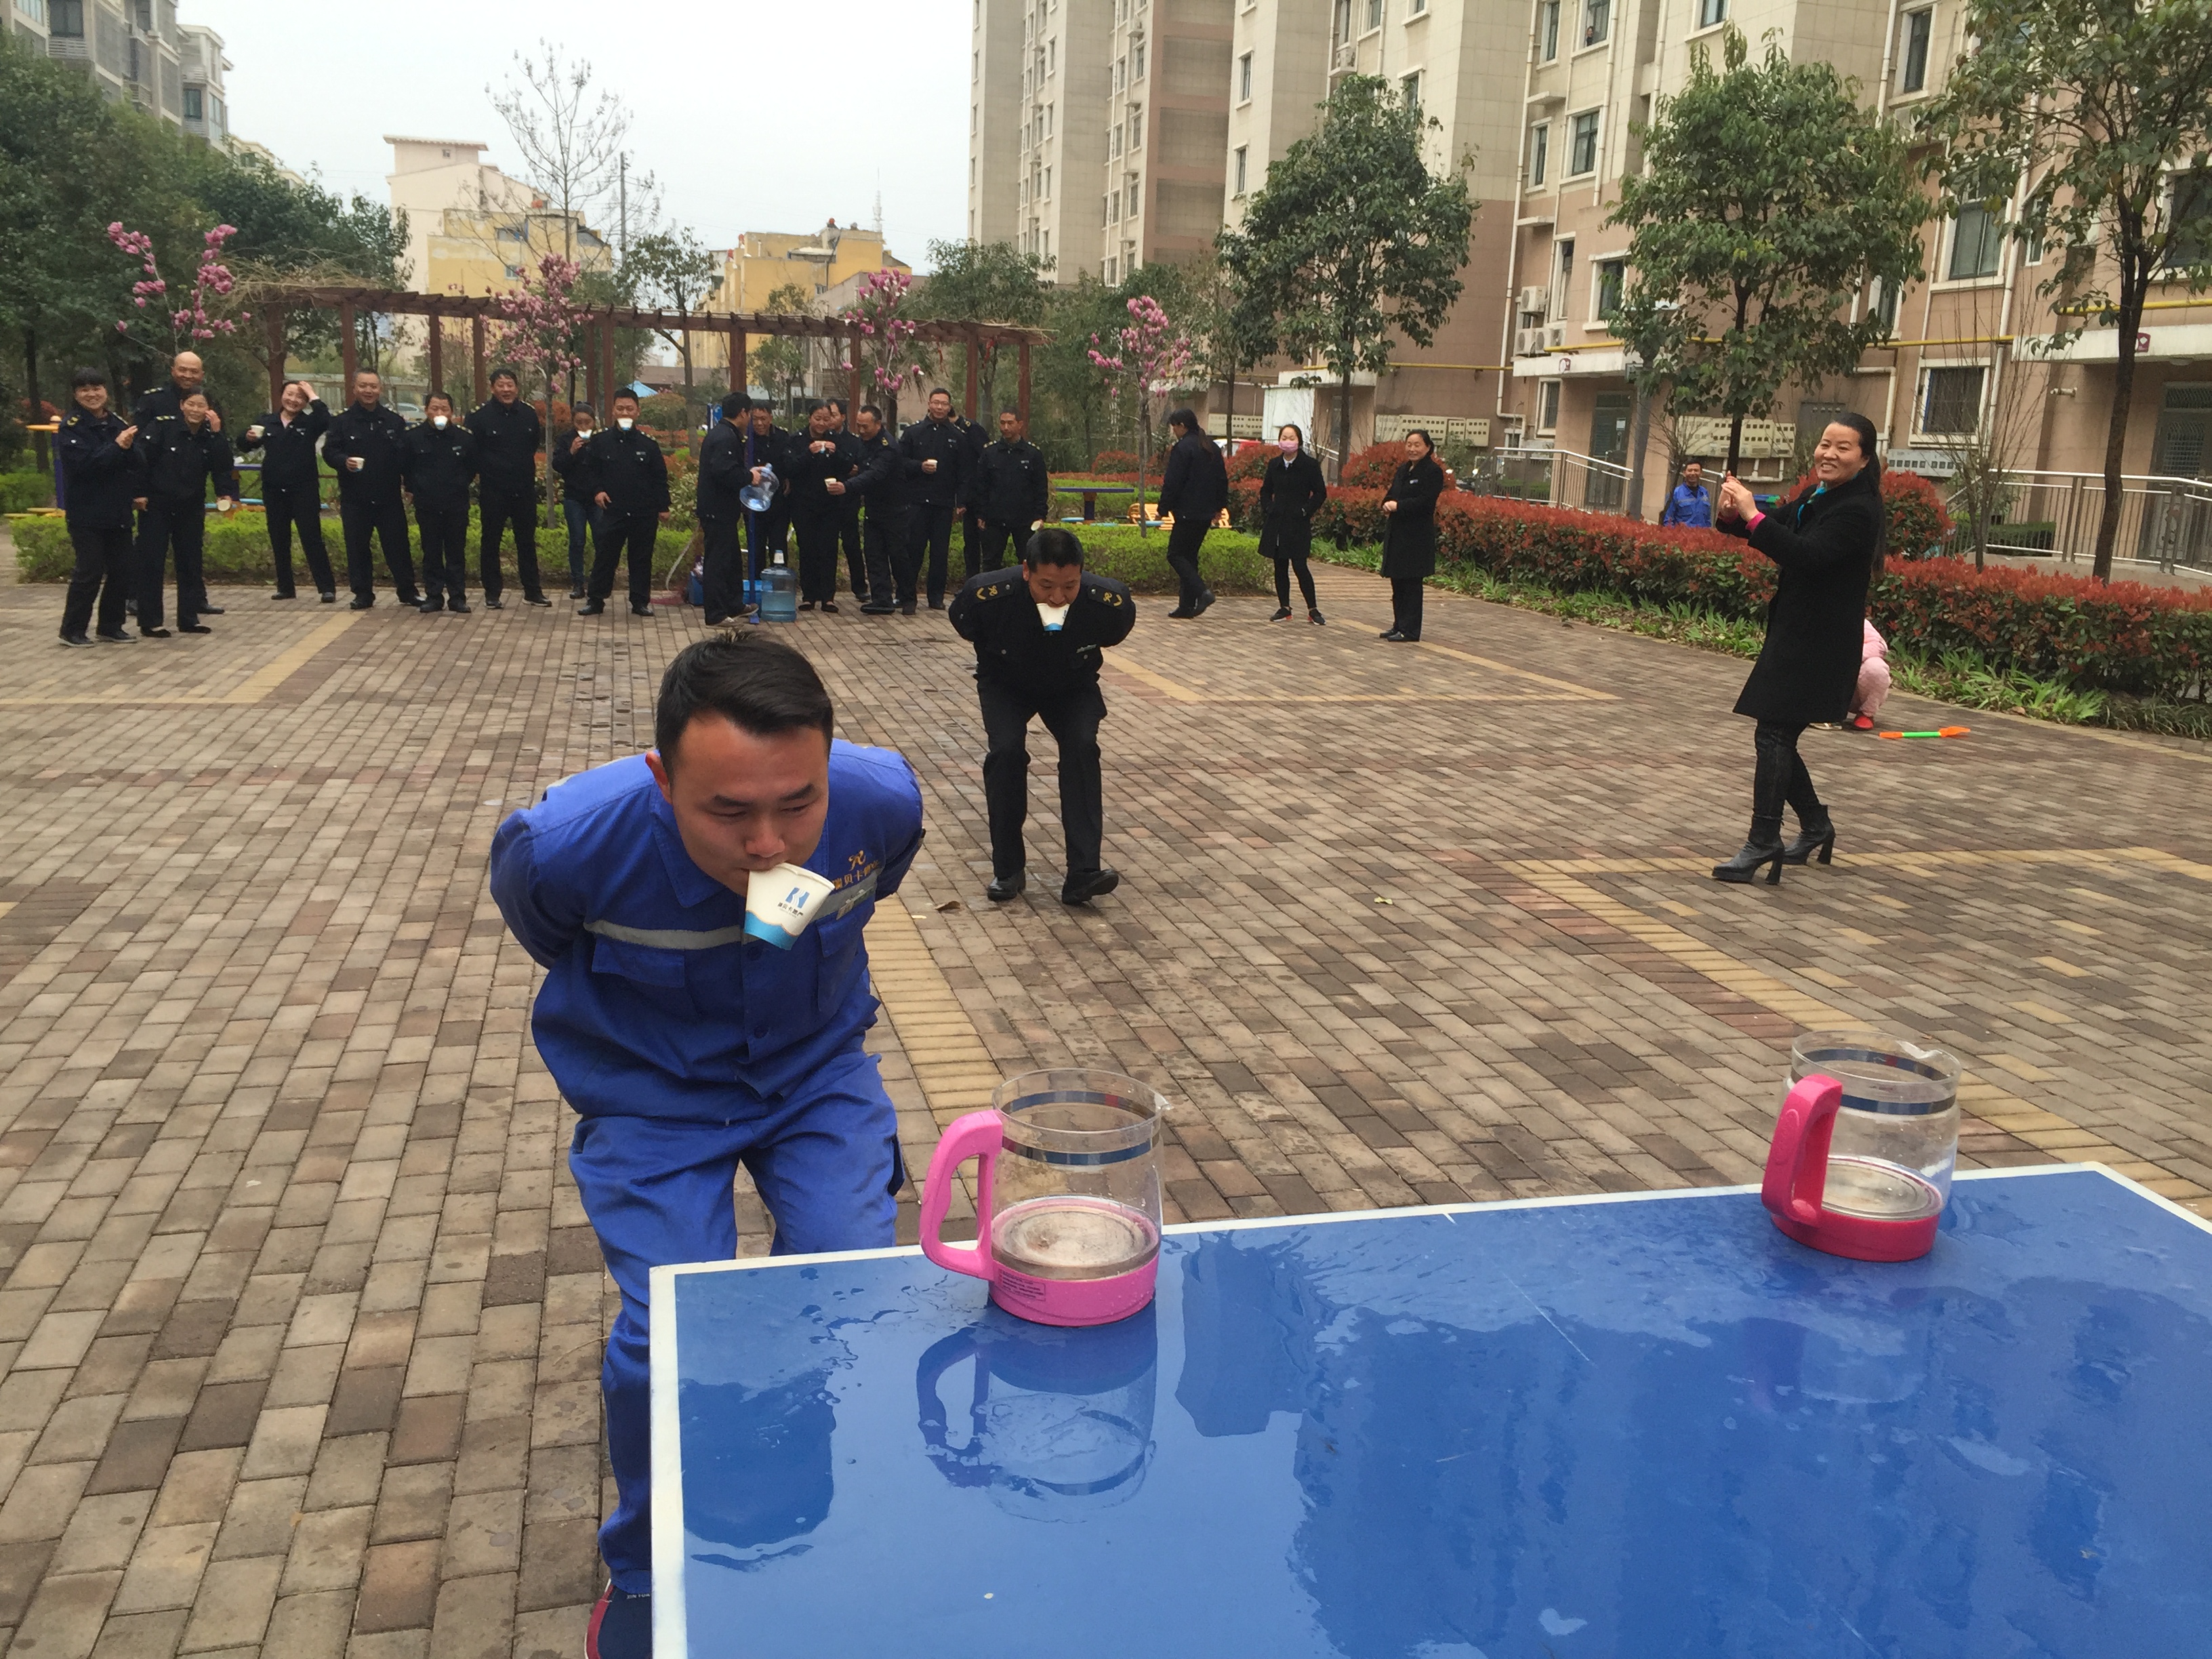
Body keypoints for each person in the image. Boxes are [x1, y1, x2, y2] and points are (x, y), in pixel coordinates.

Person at [489, 632, 924, 1659]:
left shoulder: (881, 804)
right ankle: (648, 1565)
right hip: (652, 1095)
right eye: (727, 812)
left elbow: (870, 885)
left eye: (798, 804)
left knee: (845, 1279)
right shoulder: (563, 847)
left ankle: (810, 1478)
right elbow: (546, 932)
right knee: (667, 1335)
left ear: (829, 766)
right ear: (661, 777)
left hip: (814, 1075)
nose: (768, 843)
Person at [1709, 413, 1885, 882]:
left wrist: (1752, 515)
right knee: (1776, 735)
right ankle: (1814, 824)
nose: (1829, 454)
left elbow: (1805, 556)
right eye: (1825, 444)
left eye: (1843, 448)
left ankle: (1764, 838)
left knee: (1774, 735)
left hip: (1822, 644)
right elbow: (1775, 528)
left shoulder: (1858, 510)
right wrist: (1734, 515)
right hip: (1796, 634)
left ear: (1864, 459)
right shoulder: (1817, 495)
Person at [947, 526, 1134, 907]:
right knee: (1006, 753)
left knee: (1082, 748)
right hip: (1007, 683)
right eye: (1046, 586)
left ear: (1082, 574)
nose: (1057, 597)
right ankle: (1008, 869)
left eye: (1069, 586)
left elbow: (1115, 631)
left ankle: (1083, 872)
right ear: (1026, 571)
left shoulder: (1108, 602)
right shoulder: (986, 597)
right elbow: (965, 624)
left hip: (1072, 684)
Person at [131, 390, 237, 638]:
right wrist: (139, 493)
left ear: (209, 410)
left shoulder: (210, 436)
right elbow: (140, 460)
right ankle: (151, 622)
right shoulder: (162, 427)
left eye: (201, 406)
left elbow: (222, 466)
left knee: (190, 562)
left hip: (190, 506)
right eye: (191, 404)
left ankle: (189, 619)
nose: (196, 410)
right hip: (156, 505)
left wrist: (224, 493)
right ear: (182, 405)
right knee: (152, 563)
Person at [56, 367, 140, 647]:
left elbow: (135, 461)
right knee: (89, 572)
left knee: (122, 570)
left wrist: (129, 451)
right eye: (84, 390)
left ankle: (111, 626)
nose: (92, 394)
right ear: (76, 394)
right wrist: (117, 446)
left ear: (106, 391)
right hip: (87, 513)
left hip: (118, 510)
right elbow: (86, 466)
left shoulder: (117, 422)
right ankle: (72, 630)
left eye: (97, 388)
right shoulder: (71, 427)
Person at [324, 371, 418, 611]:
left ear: (380, 389)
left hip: (388, 497)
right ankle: (363, 594)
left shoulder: (394, 421)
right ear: (354, 388)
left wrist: (409, 486)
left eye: (373, 386)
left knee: (398, 546)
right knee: (357, 548)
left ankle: (408, 592)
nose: (369, 391)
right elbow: (329, 451)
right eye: (364, 386)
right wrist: (343, 461)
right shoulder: (341, 422)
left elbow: (406, 458)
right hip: (355, 497)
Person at [238, 380, 335, 602]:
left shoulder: (309, 423)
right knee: (279, 539)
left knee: (312, 538)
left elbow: (326, 419)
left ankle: (326, 588)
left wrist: (312, 394)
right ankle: (285, 587)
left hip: (303, 490)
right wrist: (248, 438)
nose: (293, 400)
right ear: (281, 395)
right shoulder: (267, 422)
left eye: (300, 397)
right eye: (290, 394)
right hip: (274, 490)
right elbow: (244, 445)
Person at [579, 391, 670, 617]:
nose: (625, 412)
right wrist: (597, 491)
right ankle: (596, 600)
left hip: (643, 511)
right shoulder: (600, 441)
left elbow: (659, 477)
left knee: (641, 558)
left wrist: (663, 507)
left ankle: (640, 602)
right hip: (613, 509)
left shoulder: (648, 444)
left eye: (630, 409)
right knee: (605, 556)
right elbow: (589, 471)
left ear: (637, 412)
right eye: (620, 408)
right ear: (613, 411)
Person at [467, 367, 551, 609]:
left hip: (523, 489)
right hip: (493, 489)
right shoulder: (479, 416)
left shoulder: (528, 414)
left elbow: (532, 445)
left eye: (510, 385)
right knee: (491, 541)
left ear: (516, 387)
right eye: (501, 385)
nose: (506, 390)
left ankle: (533, 591)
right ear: (492, 388)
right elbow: (472, 451)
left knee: (527, 541)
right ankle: (492, 593)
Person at [401, 392, 479, 613]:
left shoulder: (464, 438)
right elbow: (406, 467)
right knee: (431, 552)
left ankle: (457, 597)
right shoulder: (413, 437)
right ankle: (434, 596)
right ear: (426, 410)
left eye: (444, 409)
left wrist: (458, 485)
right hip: (427, 504)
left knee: (456, 552)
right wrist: (413, 489)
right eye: (434, 408)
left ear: (452, 412)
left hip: (456, 503)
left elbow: (471, 467)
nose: (439, 413)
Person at [783, 401, 863, 612]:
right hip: (803, 504)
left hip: (831, 504)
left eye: (826, 419)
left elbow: (850, 466)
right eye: (818, 418)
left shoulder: (836, 439)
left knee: (829, 549)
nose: (821, 423)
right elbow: (790, 468)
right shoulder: (797, 440)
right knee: (807, 548)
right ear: (810, 418)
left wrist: (835, 452)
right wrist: (809, 453)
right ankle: (809, 596)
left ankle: (828, 597)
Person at [899, 388, 968, 608]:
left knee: (940, 553)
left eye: (944, 404)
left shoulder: (958, 437)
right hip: (917, 502)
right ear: (929, 404)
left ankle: (936, 597)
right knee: (913, 550)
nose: (939, 407)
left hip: (943, 504)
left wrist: (961, 502)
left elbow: (964, 473)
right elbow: (899, 462)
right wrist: (919, 466)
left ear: (950, 407)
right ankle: (906, 595)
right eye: (936, 403)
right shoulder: (913, 433)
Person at [695, 394, 760, 626]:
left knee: (731, 560)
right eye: (750, 414)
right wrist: (749, 476)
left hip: (724, 509)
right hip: (717, 509)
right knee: (718, 562)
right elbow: (724, 471)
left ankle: (734, 604)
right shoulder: (724, 437)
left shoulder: (726, 434)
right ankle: (715, 614)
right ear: (743, 413)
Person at [1378, 429, 1446, 643]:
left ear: (1428, 447)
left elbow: (1426, 502)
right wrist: (1386, 504)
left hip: (1416, 537)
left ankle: (1410, 630)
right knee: (1397, 582)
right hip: (1397, 534)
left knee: (1411, 585)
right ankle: (1399, 624)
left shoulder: (1432, 472)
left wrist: (1399, 506)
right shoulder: (1404, 469)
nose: (1412, 449)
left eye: (1417, 445)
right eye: (1409, 444)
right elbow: (1392, 493)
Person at [1158, 408, 1225, 619]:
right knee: (1189, 556)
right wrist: (1219, 507)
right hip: (1205, 513)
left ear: (1182, 426)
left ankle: (1202, 592)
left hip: (1187, 511)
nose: (1174, 431)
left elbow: (1173, 482)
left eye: (1174, 427)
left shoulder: (1183, 448)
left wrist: (1163, 508)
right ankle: (1186, 605)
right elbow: (1222, 479)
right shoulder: (1211, 447)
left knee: (1175, 554)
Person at [1258, 423, 1329, 624]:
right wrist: (1269, 508)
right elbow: (1265, 491)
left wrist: (1306, 510)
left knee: (1300, 565)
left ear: (1299, 441)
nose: (1287, 442)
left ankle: (1313, 609)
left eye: (1292, 438)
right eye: (1284, 438)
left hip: (1298, 523)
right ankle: (1285, 608)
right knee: (1280, 565)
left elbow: (1320, 493)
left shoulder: (1309, 465)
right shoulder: (1275, 464)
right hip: (1277, 522)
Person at [851, 405, 916, 615]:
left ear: (878, 424)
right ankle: (882, 599)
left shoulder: (888, 447)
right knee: (874, 555)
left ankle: (908, 597)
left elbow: (875, 474)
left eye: (866, 426)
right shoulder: (863, 443)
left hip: (895, 511)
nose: (861, 430)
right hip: (874, 509)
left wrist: (846, 486)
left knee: (898, 556)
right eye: (859, 426)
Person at [970, 408, 1050, 573]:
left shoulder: (1032, 454)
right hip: (995, 519)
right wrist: (981, 514)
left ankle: (1025, 591)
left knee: (1028, 562)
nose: (1005, 427)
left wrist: (1040, 515)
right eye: (1002, 423)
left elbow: (1040, 488)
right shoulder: (990, 453)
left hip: (1024, 519)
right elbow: (981, 486)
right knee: (991, 563)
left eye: (1010, 423)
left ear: (1020, 424)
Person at [552, 403, 602, 599]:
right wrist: (571, 451)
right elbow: (558, 465)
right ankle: (578, 583)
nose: (583, 426)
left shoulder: (600, 440)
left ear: (594, 422)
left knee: (601, 539)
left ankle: (599, 582)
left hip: (597, 498)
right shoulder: (566, 439)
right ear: (573, 422)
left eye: (587, 422)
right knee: (577, 540)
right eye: (579, 422)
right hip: (574, 498)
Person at [742, 403, 794, 579]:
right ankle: (756, 585)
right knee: (755, 548)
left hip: (778, 502)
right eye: (755, 419)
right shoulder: (745, 439)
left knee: (778, 546)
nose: (759, 423)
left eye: (763, 419)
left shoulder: (782, 437)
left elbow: (789, 463)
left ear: (771, 418)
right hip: (753, 503)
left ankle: (778, 585)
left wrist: (787, 479)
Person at [826, 397, 869, 604]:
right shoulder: (818, 439)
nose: (829, 420)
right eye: (825, 416)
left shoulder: (854, 441)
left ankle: (860, 588)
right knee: (827, 547)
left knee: (852, 545)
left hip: (848, 500)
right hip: (825, 501)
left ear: (843, 417)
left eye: (833, 415)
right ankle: (826, 591)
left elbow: (860, 468)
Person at [131, 349, 225, 438]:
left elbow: (220, 437)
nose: (188, 376)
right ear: (173, 371)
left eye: (194, 372)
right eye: (182, 370)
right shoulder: (153, 399)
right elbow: (137, 438)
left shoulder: (209, 401)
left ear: (202, 375)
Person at [956, 404, 989, 580]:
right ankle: (972, 582)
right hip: (966, 497)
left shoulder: (972, 430)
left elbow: (985, 461)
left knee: (987, 545)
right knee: (970, 544)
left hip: (980, 495)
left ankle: (987, 582)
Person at [1847, 619, 1891, 733]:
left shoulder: (1858, 622)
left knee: (1876, 668)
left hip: (1856, 692)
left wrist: (1848, 657)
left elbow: (1880, 647)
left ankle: (1866, 713)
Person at [1660, 459, 1714, 529]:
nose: (1693, 473)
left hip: (1702, 534)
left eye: (1696, 470)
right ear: (1684, 473)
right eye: (1690, 470)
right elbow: (1668, 521)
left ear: (1701, 473)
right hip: (1683, 534)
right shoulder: (1675, 494)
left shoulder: (1704, 493)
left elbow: (1707, 519)